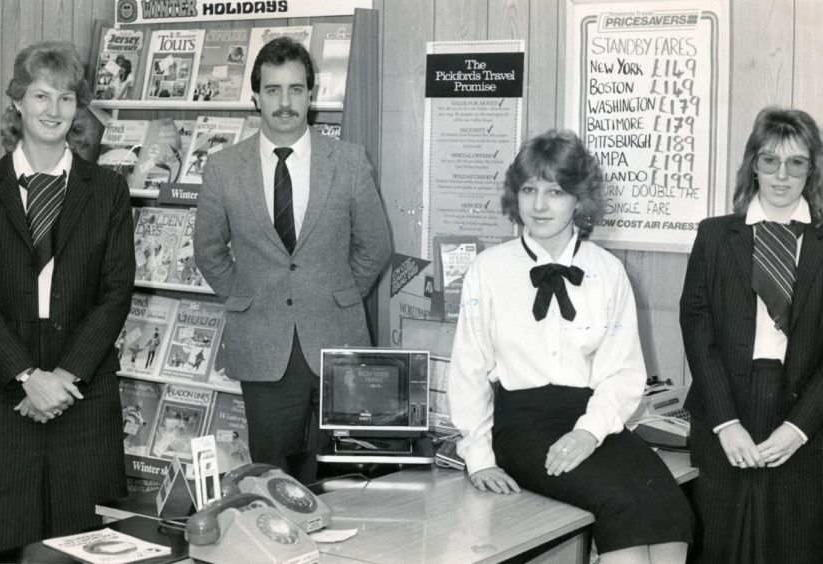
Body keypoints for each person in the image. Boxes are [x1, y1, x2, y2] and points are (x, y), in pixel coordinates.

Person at [448, 130, 694, 564]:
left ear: (579, 200)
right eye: (529, 190)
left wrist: (588, 430)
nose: (539, 205)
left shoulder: (608, 271)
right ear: (515, 195)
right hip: (521, 427)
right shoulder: (488, 270)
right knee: (620, 505)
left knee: (669, 504)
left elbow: (622, 372)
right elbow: (468, 370)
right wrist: (479, 459)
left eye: (555, 192)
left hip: (593, 421)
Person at [194, 36, 391, 484]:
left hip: (336, 336)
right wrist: (246, 296)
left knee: (342, 470)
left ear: (311, 95)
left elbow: (374, 245)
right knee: (272, 473)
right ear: (256, 97)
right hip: (261, 342)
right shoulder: (224, 167)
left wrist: (338, 295)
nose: (285, 102)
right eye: (274, 90)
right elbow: (208, 250)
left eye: (296, 89)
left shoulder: (349, 161)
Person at [0, 40, 135, 559]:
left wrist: (64, 378)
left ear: (78, 108)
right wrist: (27, 376)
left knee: (90, 545)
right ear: (17, 101)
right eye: (41, 95)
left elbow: (116, 291)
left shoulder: (107, 189)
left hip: (83, 391)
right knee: (3, 545)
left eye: (66, 98)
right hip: (3, 389)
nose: (53, 110)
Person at [680, 106, 823, 562]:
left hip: (806, 416)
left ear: (811, 170)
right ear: (753, 165)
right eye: (770, 161)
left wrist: (799, 429)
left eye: (796, 163)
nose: (782, 175)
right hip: (725, 411)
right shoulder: (715, 236)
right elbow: (696, 326)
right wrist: (725, 422)